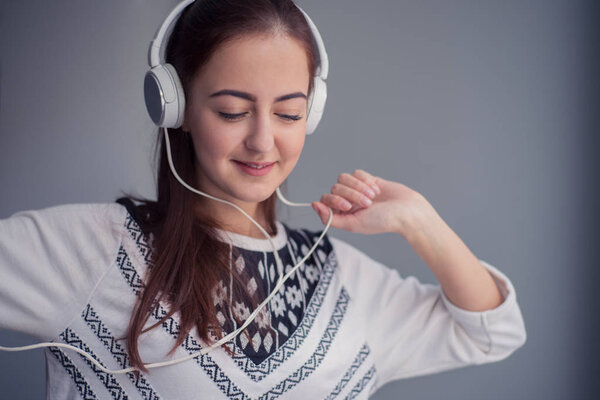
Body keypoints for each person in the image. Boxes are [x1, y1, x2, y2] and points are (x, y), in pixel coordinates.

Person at [0, 0, 526, 399]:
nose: (262, 141)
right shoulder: (93, 251)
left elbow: (493, 332)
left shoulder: (342, 279)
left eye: (289, 114)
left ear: (311, 114)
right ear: (174, 106)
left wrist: (421, 222)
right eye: (232, 111)